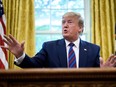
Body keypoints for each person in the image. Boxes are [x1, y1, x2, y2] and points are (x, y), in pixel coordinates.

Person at [2, 12, 116, 68]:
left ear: (80, 28)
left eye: (70, 22)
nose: (65, 25)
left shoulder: (93, 49)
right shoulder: (49, 47)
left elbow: (95, 77)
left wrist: (103, 71)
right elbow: (33, 66)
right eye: (63, 22)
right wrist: (20, 55)